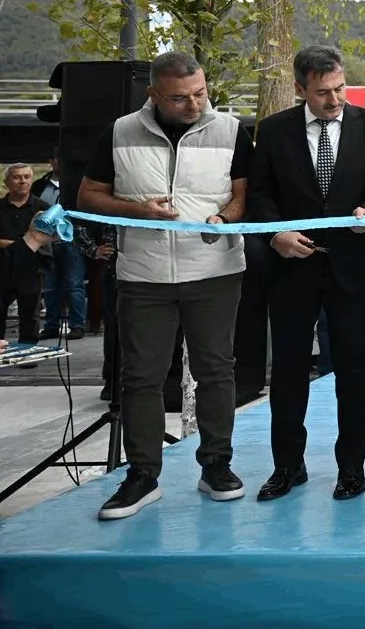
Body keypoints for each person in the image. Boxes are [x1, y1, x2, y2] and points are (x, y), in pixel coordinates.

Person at [77, 51, 253, 521]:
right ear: (152, 93)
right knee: (140, 377)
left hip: (215, 271)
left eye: (200, 93)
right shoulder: (119, 132)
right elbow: (88, 195)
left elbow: (243, 193)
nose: (194, 104)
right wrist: (138, 210)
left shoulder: (231, 130)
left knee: (216, 371)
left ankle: (216, 465)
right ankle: (142, 475)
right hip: (143, 275)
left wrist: (224, 218)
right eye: (180, 98)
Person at [249, 46, 365, 502]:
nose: (335, 99)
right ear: (300, 89)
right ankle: (287, 466)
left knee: (355, 371)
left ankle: (351, 468)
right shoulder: (274, 130)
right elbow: (260, 193)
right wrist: (277, 234)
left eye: (340, 88)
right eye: (323, 92)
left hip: (354, 268)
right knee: (288, 372)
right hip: (291, 269)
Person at [32, 153, 87, 339]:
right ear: (50, 161)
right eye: (55, 158)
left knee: (74, 284)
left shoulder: (79, 183)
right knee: (50, 286)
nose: (58, 162)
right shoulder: (39, 186)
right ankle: (51, 326)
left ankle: (77, 325)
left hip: (71, 240)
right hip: (46, 242)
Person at [2, 163, 53, 350]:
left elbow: (48, 241)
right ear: (6, 182)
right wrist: (23, 243)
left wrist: (16, 245)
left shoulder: (44, 209)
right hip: (2, 268)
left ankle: (28, 354)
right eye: (16, 177)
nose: (22, 181)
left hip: (31, 269)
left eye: (26, 177)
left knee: (31, 315)